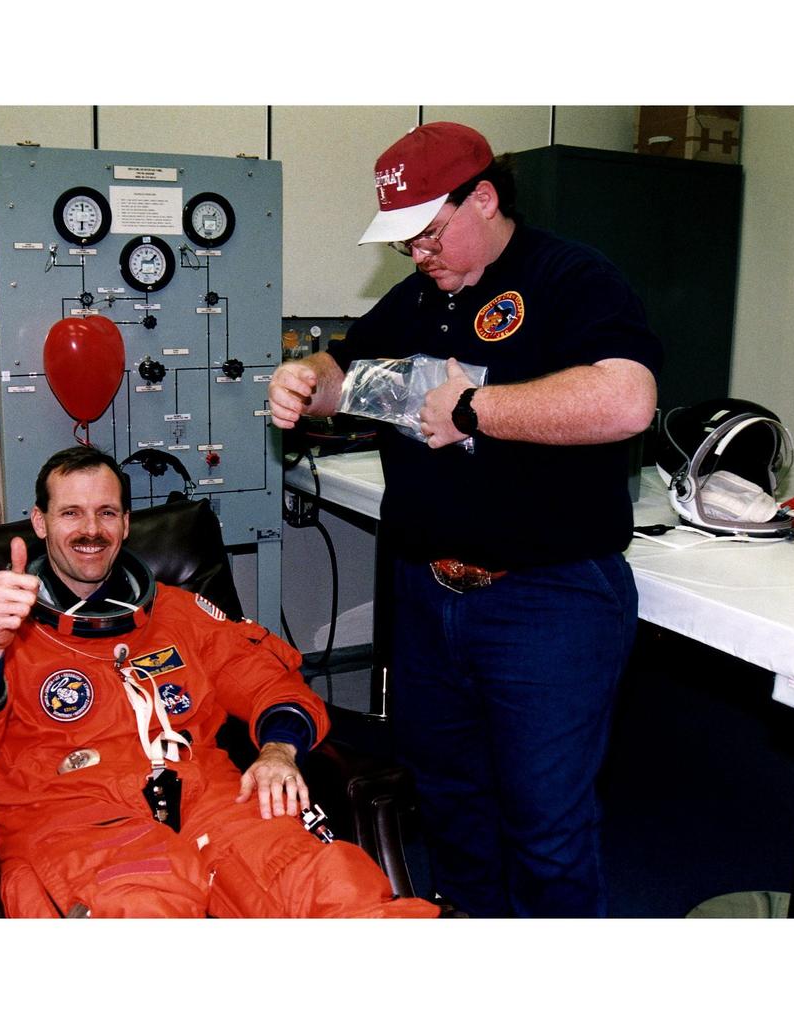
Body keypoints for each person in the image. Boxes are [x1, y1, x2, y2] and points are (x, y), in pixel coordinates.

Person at [268, 122, 662, 917]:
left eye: (431, 233)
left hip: (545, 600)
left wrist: (480, 409)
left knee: (546, 829)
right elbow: (346, 374)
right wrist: (303, 380)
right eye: (406, 241)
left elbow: (627, 400)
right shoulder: (415, 297)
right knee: (450, 808)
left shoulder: (572, 278)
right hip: (429, 596)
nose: (420, 253)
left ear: (483, 198)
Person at [0, 445, 438, 919]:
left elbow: (266, 681)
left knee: (332, 891)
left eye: (106, 512)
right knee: (138, 909)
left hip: (208, 797)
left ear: (126, 524)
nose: (91, 530)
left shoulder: (179, 613)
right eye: (71, 513)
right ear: (39, 523)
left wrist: (278, 749)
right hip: (73, 818)